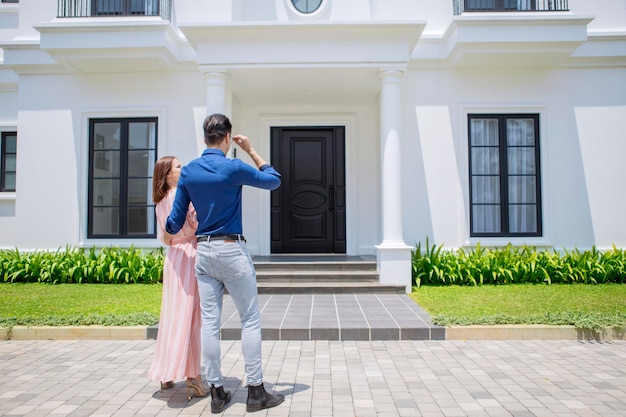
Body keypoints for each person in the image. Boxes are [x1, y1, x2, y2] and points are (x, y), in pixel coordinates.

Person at [164, 113, 284, 414]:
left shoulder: (189, 171)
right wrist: (251, 150)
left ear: (205, 138)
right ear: (228, 138)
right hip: (232, 250)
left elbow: (174, 222)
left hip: (203, 253)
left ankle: (217, 393)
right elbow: (273, 181)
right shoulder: (233, 167)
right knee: (250, 320)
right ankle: (256, 393)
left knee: (210, 325)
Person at [147, 156, 208, 402]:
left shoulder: (159, 202)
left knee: (172, 316)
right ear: (168, 174)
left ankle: (167, 373)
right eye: (178, 166)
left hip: (173, 257)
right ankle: (193, 376)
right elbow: (196, 222)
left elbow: (166, 237)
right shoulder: (181, 197)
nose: (182, 169)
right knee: (192, 317)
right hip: (190, 254)